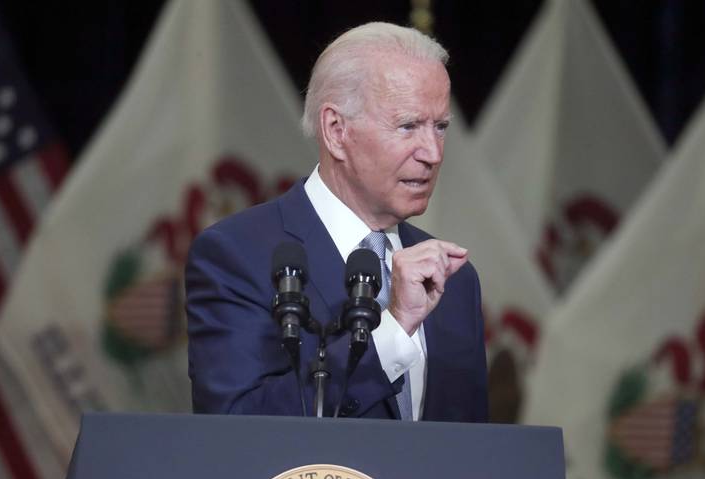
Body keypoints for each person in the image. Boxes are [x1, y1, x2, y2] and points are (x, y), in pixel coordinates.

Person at [185, 22, 487, 421]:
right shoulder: (237, 256)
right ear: (335, 130)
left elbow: (471, 447)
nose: (432, 153)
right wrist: (393, 330)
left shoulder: (455, 282)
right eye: (408, 126)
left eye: (441, 127)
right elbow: (236, 427)